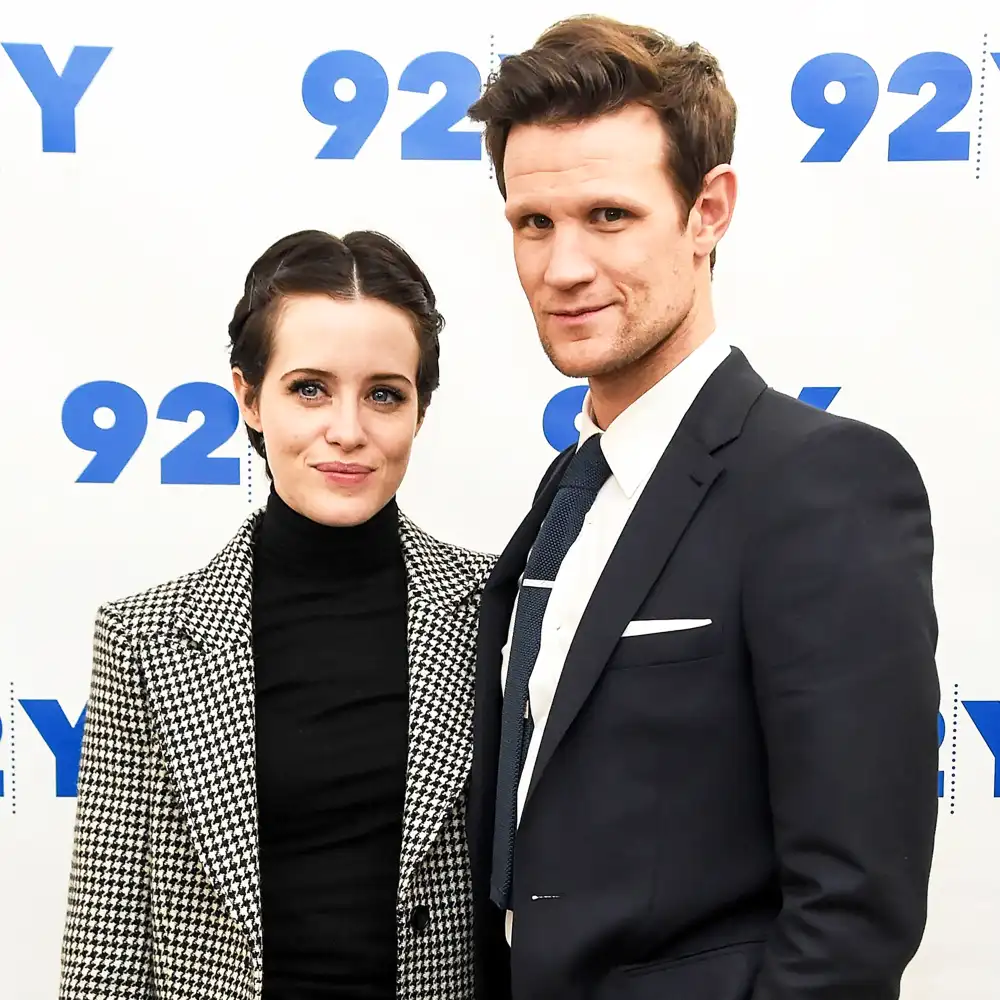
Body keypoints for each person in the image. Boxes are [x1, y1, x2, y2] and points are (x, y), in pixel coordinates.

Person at [465, 15, 940, 1000]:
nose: (561, 267)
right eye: (533, 223)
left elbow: (852, 915)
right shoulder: (569, 493)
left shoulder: (822, 484)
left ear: (707, 211)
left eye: (609, 215)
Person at [59, 229, 494, 1000]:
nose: (348, 430)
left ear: (420, 411)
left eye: (384, 394)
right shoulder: (143, 638)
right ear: (249, 398)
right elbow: (107, 937)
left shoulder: (494, 610)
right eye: (310, 389)